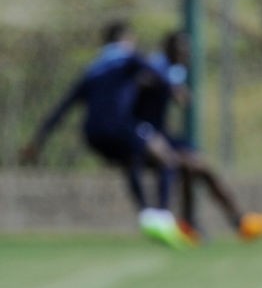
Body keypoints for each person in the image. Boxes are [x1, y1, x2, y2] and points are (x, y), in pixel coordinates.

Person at [19, 21, 190, 249]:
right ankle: (162, 218)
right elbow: (153, 69)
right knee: (167, 159)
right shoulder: (126, 58)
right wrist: (174, 89)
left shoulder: (93, 69)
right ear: (126, 39)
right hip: (119, 127)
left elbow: (62, 108)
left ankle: (147, 215)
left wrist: (38, 141)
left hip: (92, 135)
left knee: (131, 159)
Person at [137, 30, 262, 243]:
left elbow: (179, 96)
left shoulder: (174, 70)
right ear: (170, 49)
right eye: (182, 50)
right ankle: (183, 222)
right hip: (142, 133)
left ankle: (240, 222)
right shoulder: (155, 66)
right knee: (188, 165)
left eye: (188, 50)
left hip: (161, 132)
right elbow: (148, 87)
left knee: (202, 166)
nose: (186, 54)